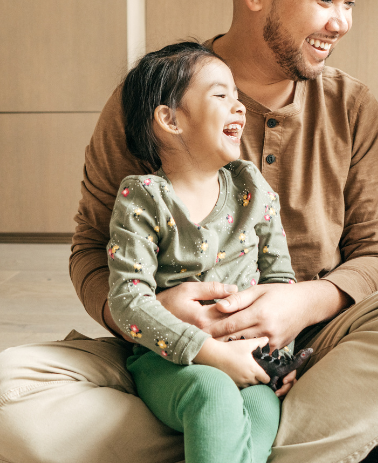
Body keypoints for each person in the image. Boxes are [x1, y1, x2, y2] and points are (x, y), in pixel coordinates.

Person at [0, 0, 378, 463]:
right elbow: (91, 252)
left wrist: (297, 305)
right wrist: (162, 315)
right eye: (326, 0)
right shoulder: (153, 97)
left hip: (305, 356)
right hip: (165, 353)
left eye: (350, 3)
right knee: (5, 390)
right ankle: (247, 441)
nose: (342, 22)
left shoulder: (353, 107)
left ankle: (213, 441)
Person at [109, 42, 303, 463]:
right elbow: (127, 301)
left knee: (261, 407)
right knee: (212, 392)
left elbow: (280, 284)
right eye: (221, 95)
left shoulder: (252, 189)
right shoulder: (142, 198)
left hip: (250, 360)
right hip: (170, 363)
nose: (239, 107)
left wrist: (276, 359)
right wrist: (210, 353)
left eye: (237, 96)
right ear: (170, 119)